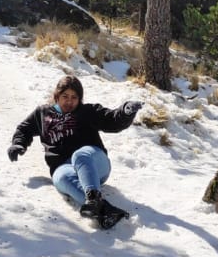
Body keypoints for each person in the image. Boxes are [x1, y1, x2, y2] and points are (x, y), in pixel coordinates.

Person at [8, 75, 143, 229]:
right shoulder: (43, 113)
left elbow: (112, 120)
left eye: (74, 97)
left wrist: (125, 111)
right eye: (65, 96)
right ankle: (105, 210)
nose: (69, 101)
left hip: (93, 162)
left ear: (79, 99)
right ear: (57, 96)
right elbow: (24, 129)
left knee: (79, 155)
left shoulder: (87, 112)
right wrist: (18, 144)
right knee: (61, 178)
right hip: (63, 166)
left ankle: (93, 196)